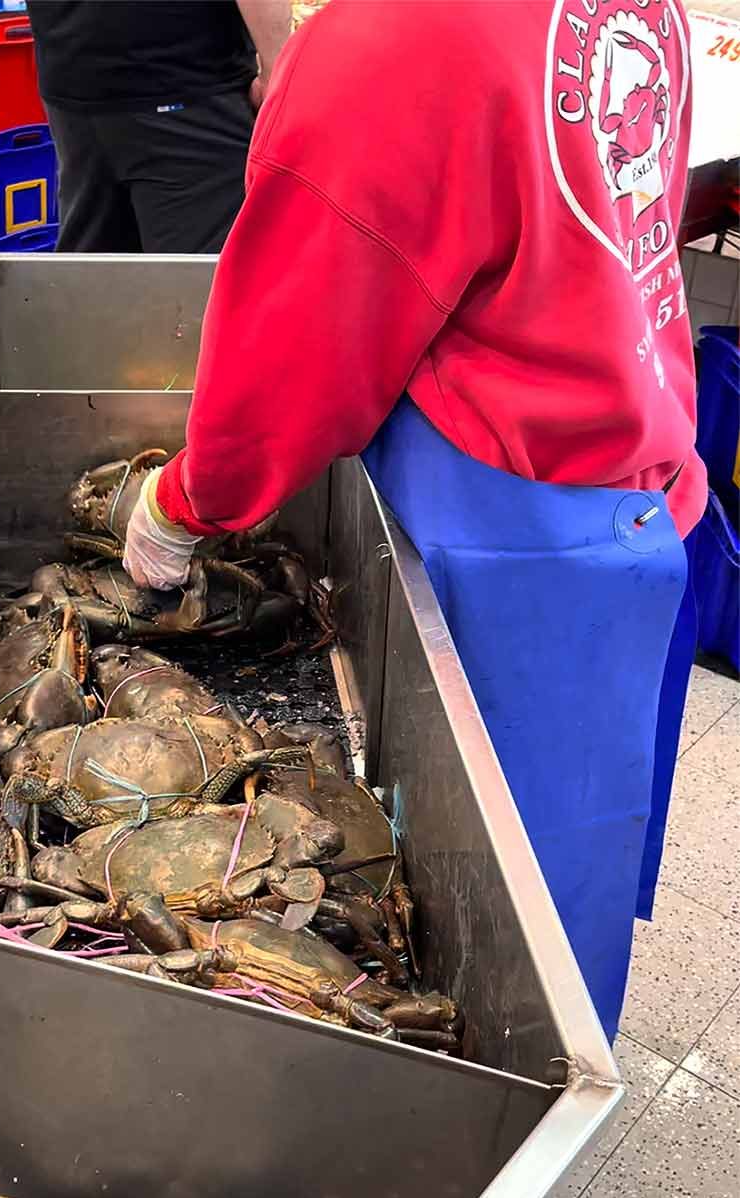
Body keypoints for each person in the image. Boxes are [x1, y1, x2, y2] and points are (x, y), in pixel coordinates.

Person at [121, 0, 704, 1042]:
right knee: (572, 874)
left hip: (508, 536)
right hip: (640, 471)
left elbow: (294, 357)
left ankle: (489, 1136)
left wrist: (182, 504)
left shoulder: (393, 35)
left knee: (485, 949)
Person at [26, 0, 291, 252]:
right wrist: (278, 70)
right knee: (200, 282)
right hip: (184, 85)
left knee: (96, 277)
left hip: (71, 74)